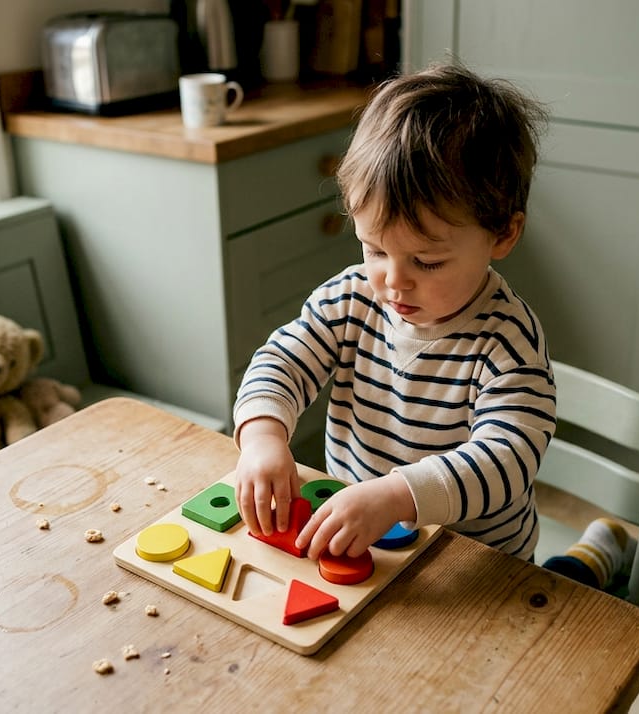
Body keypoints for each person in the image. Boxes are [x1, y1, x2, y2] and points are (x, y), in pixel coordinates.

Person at [231, 62, 555, 561]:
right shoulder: (349, 299)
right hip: (369, 545)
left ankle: (593, 557)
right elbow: (282, 361)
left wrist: (395, 495)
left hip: (476, 565)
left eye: (427, 260)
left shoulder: (508, 342)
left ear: (503, 235)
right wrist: (262, 437)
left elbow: (507, 460)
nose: (393, 279)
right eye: (375, 249)